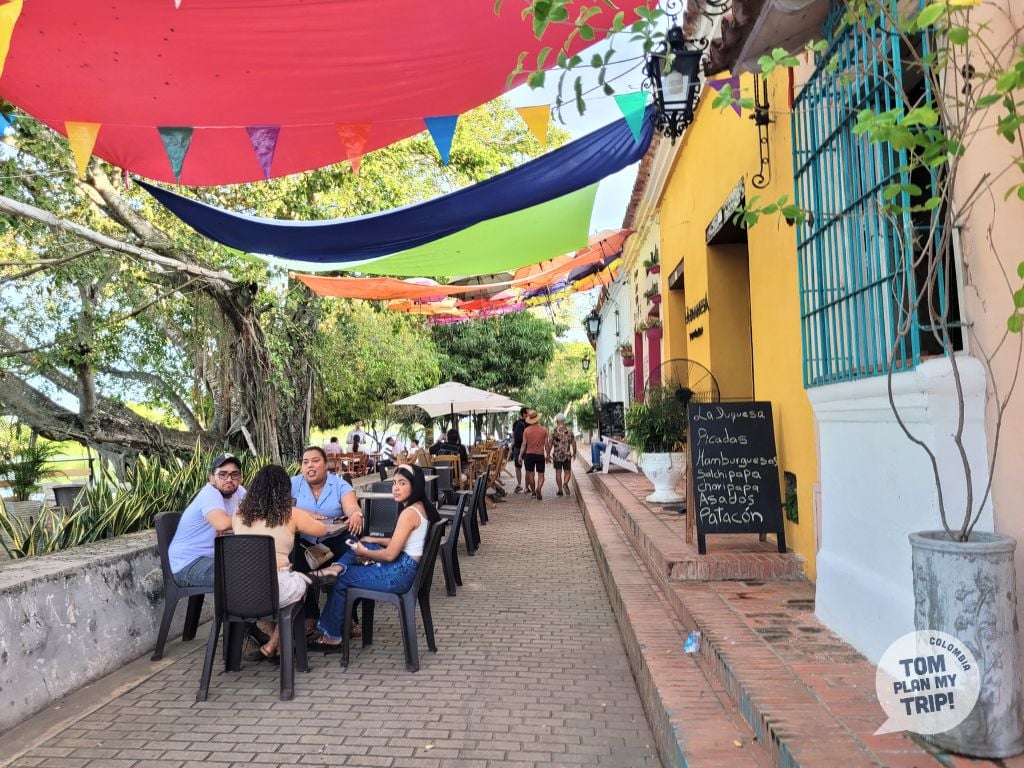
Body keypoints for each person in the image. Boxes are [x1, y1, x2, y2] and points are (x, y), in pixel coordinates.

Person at [310, 464, 441, 649]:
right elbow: (400, 541)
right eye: (394, 483)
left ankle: (332, 636)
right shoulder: (421, 507)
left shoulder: (409, 513)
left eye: (402, 483)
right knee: (366, 542)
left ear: (415, 485)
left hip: (398, 575)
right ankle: (336, 567)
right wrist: (372, 540)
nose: (396, 488)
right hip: (405, 569)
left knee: (343, 578)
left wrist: (364, 553)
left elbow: (389, 555)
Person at [232, 464, 329, 661]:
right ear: (285, 490)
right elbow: (322, 530)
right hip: (276, 589)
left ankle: (273, 642)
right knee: (302, 583)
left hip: (239, 591)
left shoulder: (239, 515)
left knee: (276, 588)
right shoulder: (289, 514)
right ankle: (276, 643)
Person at [290, 446, 364, 629]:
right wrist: (305, 513)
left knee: (352, 548)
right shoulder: (293, 484)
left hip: (332, 542)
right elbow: (280, 507)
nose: (310, 465)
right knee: (292, 559)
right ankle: (309, 615)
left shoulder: (339, 484)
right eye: (305, 462)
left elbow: (351, 506)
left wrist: (355, 514)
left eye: (315, 461)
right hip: (304, 542)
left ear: (326, 464)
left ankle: (347, 616)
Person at [167, 454, 247, 587]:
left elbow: (256, 514)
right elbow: (222, 524)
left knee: (255, 565)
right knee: (240, 575)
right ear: (211, 478)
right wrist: (237, 521)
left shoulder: (239, 492)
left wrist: (236, 522)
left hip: (212, 558)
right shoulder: (209, 493)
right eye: (222, 474)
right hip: (188, 563)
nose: (229, 479)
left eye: (234, 474)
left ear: (241, 477)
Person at [519, 410, 549, 501]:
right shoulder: (544, 429)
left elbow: (523, 444)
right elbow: (546, 444)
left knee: (530, 474)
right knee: (541, 475)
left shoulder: (526, 430)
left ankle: (533, 492)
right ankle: (539, 488)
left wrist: (520, 455)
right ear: (537, 419)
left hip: (529, 455)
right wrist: (548, 455)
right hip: (540, 455)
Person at [549, 413, 576, 497]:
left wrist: (548, 454)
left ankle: (560, 490)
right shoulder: (569, 431)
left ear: (557, 421)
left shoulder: (553, 431)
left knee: (558, 472)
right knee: (567, 472)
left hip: (557, 455)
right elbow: (573, 443)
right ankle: (565, 483)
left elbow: (550, 444)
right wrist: (574, 452)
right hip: (567, 455)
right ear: (564, 421)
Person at [510, 406, 528, 493]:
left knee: (518, 467)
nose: (529, 414)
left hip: (517, 447)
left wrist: (512, 446)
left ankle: (519, 484)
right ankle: (527, 487)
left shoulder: (516, 423)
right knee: (528, 468)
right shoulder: (529, 423)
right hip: (527, 447)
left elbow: (513, 435)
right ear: (524, 414)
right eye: (528, 412)